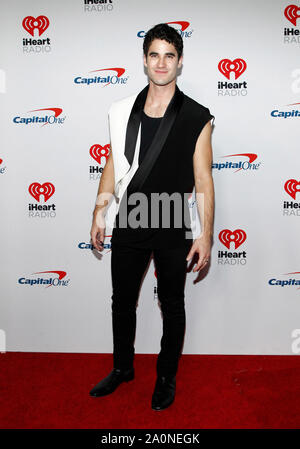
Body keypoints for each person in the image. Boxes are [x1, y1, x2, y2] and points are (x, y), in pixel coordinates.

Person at [89, 23, 215, 411]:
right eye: (155, 55)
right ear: (145, 61)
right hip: (130, 217)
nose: (162, 63)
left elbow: (203, 179)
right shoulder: (122, 110)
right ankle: (123, 368)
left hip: (173, 216)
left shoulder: (197, 116)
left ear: (179, 63)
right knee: (122, 302)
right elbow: (114, 164)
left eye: (170, 56)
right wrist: (99, 211)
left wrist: (206, 235)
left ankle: (165, 377)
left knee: (172, 305)